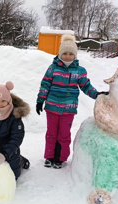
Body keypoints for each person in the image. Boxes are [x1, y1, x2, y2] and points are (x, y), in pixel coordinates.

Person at [36, 34, 108, 169]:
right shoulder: (53, 68)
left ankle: (61, 158)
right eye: (65, 53)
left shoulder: (79, 71)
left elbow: (86, 86)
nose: (67, 56)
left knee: (64, 134)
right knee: (51, 133)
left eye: (70, 54)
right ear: (60, 54)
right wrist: (40, 100)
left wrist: (97, 94)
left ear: (75, 55)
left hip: (68, 109)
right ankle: (49, 156)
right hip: (51, 107)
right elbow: (45, 84)